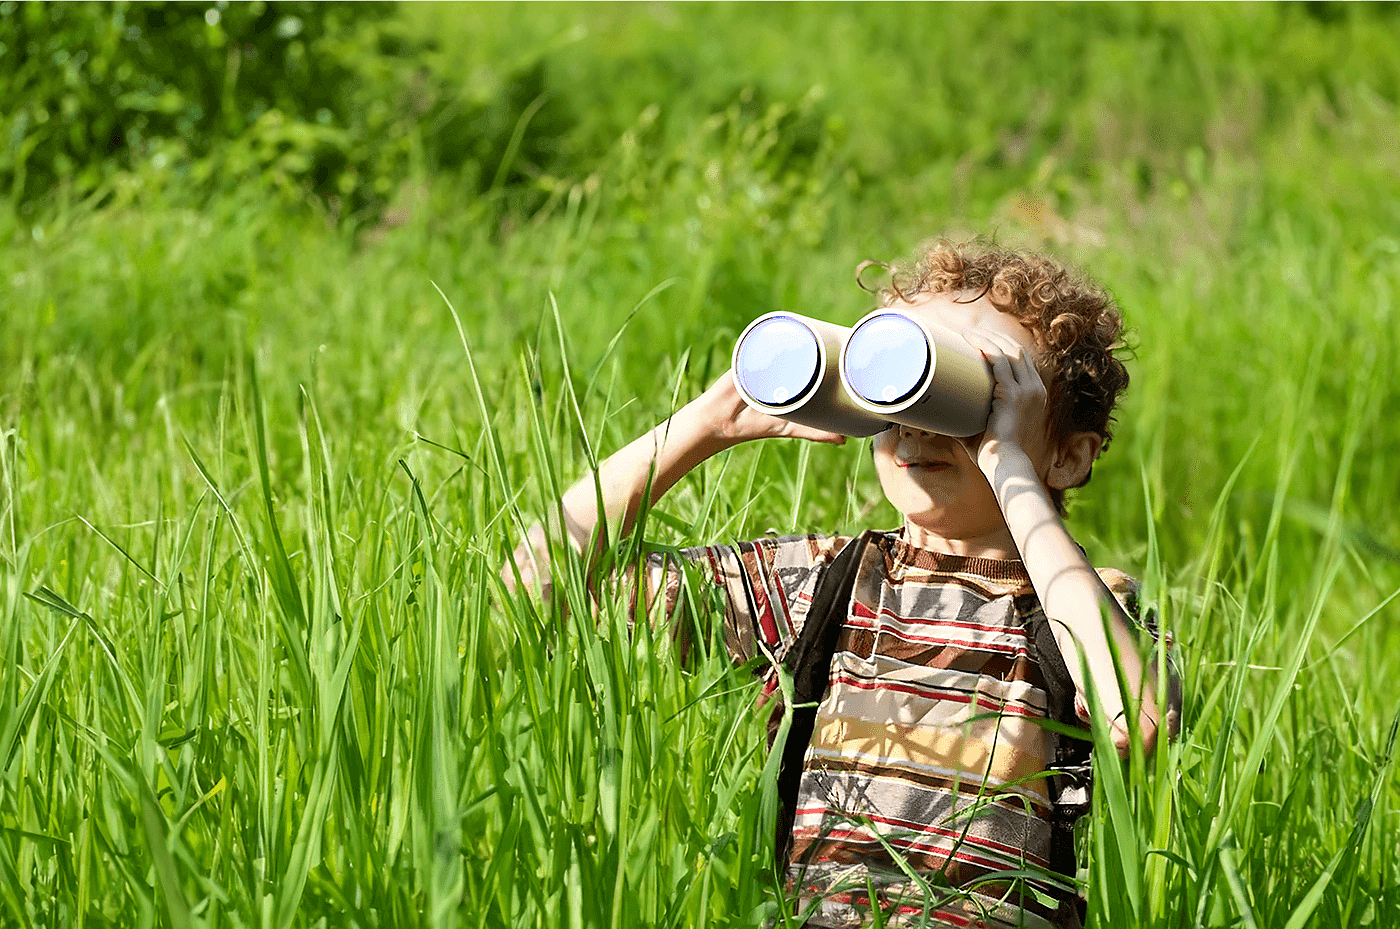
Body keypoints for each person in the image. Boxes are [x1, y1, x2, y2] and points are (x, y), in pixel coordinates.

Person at [506, 238, 1181, 928]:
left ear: (1068, 454)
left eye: (969, 391)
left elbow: (1142, 718)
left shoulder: (1078, 603)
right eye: (903, 379)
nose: (920, 423)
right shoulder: (825, 579)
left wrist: (1008, 463)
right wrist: (708, 423)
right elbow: (533, 583)